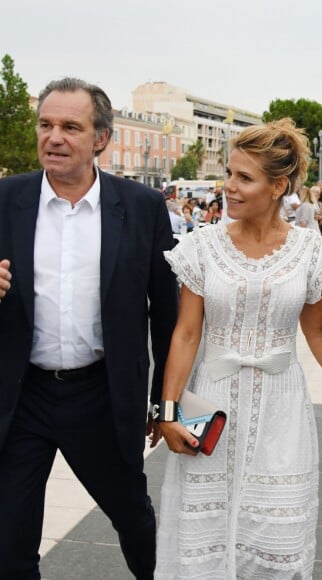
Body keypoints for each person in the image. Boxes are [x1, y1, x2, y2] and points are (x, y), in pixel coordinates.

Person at [0, 77, 178, 580]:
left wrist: (165, 404)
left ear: (101, 137)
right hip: (22, 397)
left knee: (136, 523)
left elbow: (167, 313)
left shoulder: (141, 208)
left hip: (100, 395)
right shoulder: (5, 200)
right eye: (46, 125)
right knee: (9, 546)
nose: (53, 137)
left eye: (70, 127)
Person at [154, 118, 322, 579]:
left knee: (275, 535)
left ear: (278, 185)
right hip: (209, 400)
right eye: (229, 174)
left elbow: (318, 332)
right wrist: (168, 411)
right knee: (205, 534)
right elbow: (186, 334)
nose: (229, 187)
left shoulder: (307, 251)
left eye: (244, 178)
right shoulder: (201, 247)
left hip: (282, 410)